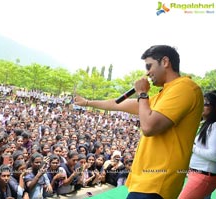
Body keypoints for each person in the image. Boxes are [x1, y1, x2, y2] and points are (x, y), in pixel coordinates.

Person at [74, 45, 204, 199]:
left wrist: (142, 93)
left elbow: (148, 127)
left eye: (149, 66)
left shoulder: (185, 88)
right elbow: (118, 104)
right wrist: (87, 102)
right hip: (145, 182)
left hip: (157, 182)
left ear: (165, 61)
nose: (147, 72)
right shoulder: (166, 93)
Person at [179, 90, 216, 199]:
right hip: (201, 175)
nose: (201, 106)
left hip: (203, 176)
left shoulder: (214, 126)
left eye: (205, 103)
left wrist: (191, 146)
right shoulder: (207, 125)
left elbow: (213, 155)